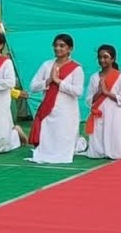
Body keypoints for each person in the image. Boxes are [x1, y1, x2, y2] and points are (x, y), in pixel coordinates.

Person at [26, 33, 86, 164]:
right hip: (48, 108)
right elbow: (33, 86)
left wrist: (59, 82)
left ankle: (76, 145)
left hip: (66, 110)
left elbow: (78, 91)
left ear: (70, 49)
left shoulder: (76, 68)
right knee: (48, 136)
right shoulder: (47, 65)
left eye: (62, 46)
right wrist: (47, 82)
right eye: (56, 45)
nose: (58, 48)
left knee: (63, 137)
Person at [84, 44, 121, 160]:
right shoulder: (94, 77)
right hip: (99, 113)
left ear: (113, 59)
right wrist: (99, 92)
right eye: (100, 57)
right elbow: (88, 100)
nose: (102, 60)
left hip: (114, 114)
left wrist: (107, 92)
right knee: (95, 154)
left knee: (117, 153)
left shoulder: (119, 76)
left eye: (106, 57)